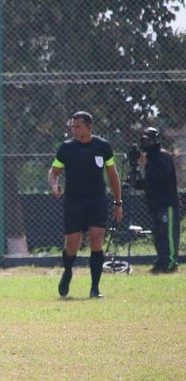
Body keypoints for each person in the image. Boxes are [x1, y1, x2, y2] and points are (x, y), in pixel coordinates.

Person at [48, 111, 123, 299]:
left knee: (96, 239)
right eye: (72, 127)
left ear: (89, 127)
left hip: (97, 200)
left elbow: (113, 174)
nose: (74, 130)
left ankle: (95, 288)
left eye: (78, 126)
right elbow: (54, 172)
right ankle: (67, 272)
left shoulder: (103, 147)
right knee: (72, 244)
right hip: (74, 201)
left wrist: (118, 202)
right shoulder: (66, 148)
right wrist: (54, 185)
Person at [135, 127, 180, 273]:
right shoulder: (149, 158)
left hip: (167, 203)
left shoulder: (162, 156)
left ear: (155, 140)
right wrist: (136, 181)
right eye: (144, 140)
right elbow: (150, 182)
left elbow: (163, 176)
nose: (146, 143)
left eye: (148, 140)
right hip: (154, 203)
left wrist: (146, 164)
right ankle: (161, 262)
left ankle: (171, 263)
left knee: (168, 234)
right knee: (158, 234)